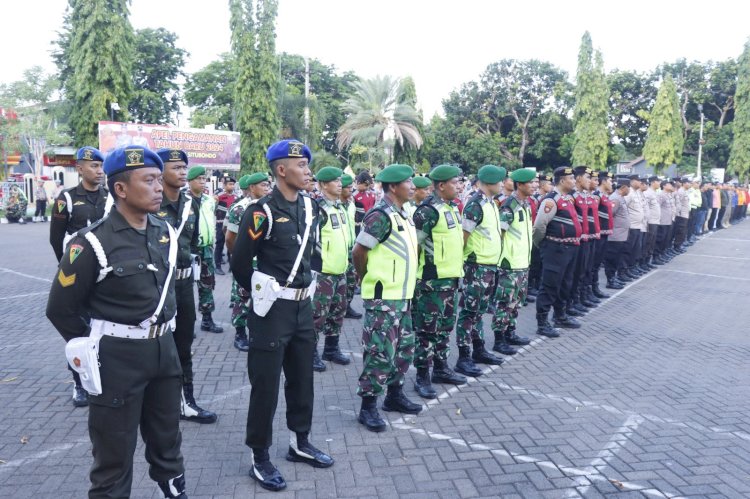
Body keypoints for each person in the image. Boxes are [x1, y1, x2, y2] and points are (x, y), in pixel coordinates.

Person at [46, 146, 188, 498]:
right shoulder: (91, 242)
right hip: (117, 359)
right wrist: (96, 344)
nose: (159, 187)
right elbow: (60, 309)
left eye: (159, 179)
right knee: (113, 454)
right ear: (121, 189)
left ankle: (173, 490)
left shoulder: (163, 231)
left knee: (168, 438)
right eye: (149, 180)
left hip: (164, 352)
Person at [231, 139, 333, 492]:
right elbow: (240, 262)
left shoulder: (310, 206)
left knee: (303, 378)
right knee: (266, 385)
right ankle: (260, 457)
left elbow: (311, 254)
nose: (308, 171)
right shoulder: (261, 212)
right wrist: (261, 294)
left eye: (307, 164)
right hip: (272, 310)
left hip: (303, 307)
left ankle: (299, 443)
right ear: (280, 170)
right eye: (301, 165)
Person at [353, 163, 421, 432]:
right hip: (384, 297)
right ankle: (368, 407)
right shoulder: (379, 215)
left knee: (404, 349)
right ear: (393, 186)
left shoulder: (404, 214)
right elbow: (359, 252)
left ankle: (394, 396)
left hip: (403, 295)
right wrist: (365, 276)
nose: (413, 186)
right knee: (379, 351)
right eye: (408, 182)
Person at [155, 149, 217, 425]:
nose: (182, 172)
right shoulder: (151, 203)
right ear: (160, 171)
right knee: (155, 346)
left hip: (182, 285)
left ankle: (186, 401)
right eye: (176, 167)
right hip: (156, 287)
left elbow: (190, 245)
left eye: (184, 167)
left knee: (184, 344)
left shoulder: (191, 204)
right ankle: (155, 403)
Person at [49, 146, 111, 407]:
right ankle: (79, 383)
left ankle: (102, 376)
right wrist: (69, 271)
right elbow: (55, 239)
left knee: (103, 327)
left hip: (106, 275)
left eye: (101, 166)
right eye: (93, 166)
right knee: (78, 331)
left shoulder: (110, 197)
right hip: (77, 276)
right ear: (80, 168)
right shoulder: (67, 198)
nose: (99, 171)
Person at [411, 165, 467, 399]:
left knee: (444, 327)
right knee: (427, 331)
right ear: (441, 185)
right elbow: (414, 245)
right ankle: (422, 375)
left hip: (450, 279)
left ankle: (441, 368)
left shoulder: (451, 208)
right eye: (455, 182)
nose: (460, 186)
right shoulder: (428, 211)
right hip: (430, 283)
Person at [454, 165, 507, 378]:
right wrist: (464, 263)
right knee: (469, 312)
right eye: (500, 181)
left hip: (489, 266)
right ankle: (464, 357)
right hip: (476, 267)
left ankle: (478, 349)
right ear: (490, 182)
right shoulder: (475, 204)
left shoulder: (491, 204)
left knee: (478, 311)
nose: (503, 184)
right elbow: (464, 236)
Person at [532, 166, 583, 337]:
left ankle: (560, 316)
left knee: (564, 284)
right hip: (555, 248)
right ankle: (542, 322)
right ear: (562, 180)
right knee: (549, 285)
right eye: (572, 179)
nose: (574, 182)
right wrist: (543, 245)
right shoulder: (551, 200)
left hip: (569, 248)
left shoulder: (567, 199)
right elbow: (539, 226)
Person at [311, 166, 351, 372]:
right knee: (317, 314)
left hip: (340, 270)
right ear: (324, 185)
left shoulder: (340, 207)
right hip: (323, 272)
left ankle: (331, 349)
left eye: (340, 180)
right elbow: (311, 242)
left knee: (337, 311)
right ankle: (311, 353)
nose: (340, 184)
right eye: (335, 181)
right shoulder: (318, 208)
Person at [225, 172, 271, 351]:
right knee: (241, 297)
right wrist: (239, 258)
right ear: (252, 188)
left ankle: (257, 331)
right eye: (262, 185)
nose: (267, 188)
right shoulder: (240, 208)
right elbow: (230, 238)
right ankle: (240, 333)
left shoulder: (269, 207)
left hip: (263, 262)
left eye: (268, 185)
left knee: (262, 296)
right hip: (246, 261)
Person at [491, 168, 535, 356]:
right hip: (510, 264)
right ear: (520, 185)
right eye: (530, 183)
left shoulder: (524, 204)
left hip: (522, 262)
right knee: (504, 302)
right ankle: (499, 339)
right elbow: (499, 234)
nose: (534, 186)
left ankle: (511, 333)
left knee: (515, 302)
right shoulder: (510, 206)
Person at [186, 171, 224, 334]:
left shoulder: (209, 200)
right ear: (189, 181)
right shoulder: (183, 200)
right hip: (188, 249)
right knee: (185, 287)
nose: (202, 182)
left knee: (207, 285)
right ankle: (185, 324)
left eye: (204, 179)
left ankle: (207, 320)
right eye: (199, 179)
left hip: (206, 248)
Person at [339, 174, 362, 319]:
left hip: (351, 248)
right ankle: (338, 309)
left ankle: (347, 306)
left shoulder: (351, 205)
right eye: (348, 187)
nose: (350, 190)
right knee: (340, 284)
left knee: (352, 281)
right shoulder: (335, 206)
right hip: (339, 250)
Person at [603, 178, 632, 288]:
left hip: (620, 235)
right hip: (615, 235)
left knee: (616, 258)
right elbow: (610, 215)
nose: (629, 190)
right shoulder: (615, 198)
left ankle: (613, 278)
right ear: (624, 187)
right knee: (612, 259)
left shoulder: (620, 198)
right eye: (628, 187)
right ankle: (610, 281)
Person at [214, 176, 237, 275]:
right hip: (220, 223)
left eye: (233, 184)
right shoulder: (218, 196)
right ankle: (217, 266)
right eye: (229, 184)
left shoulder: (236, 197)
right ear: (224, 185)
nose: (231, 186)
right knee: (220, 244)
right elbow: (214, 209)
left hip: (231, 225)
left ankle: (231, 265)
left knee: (231, 243)